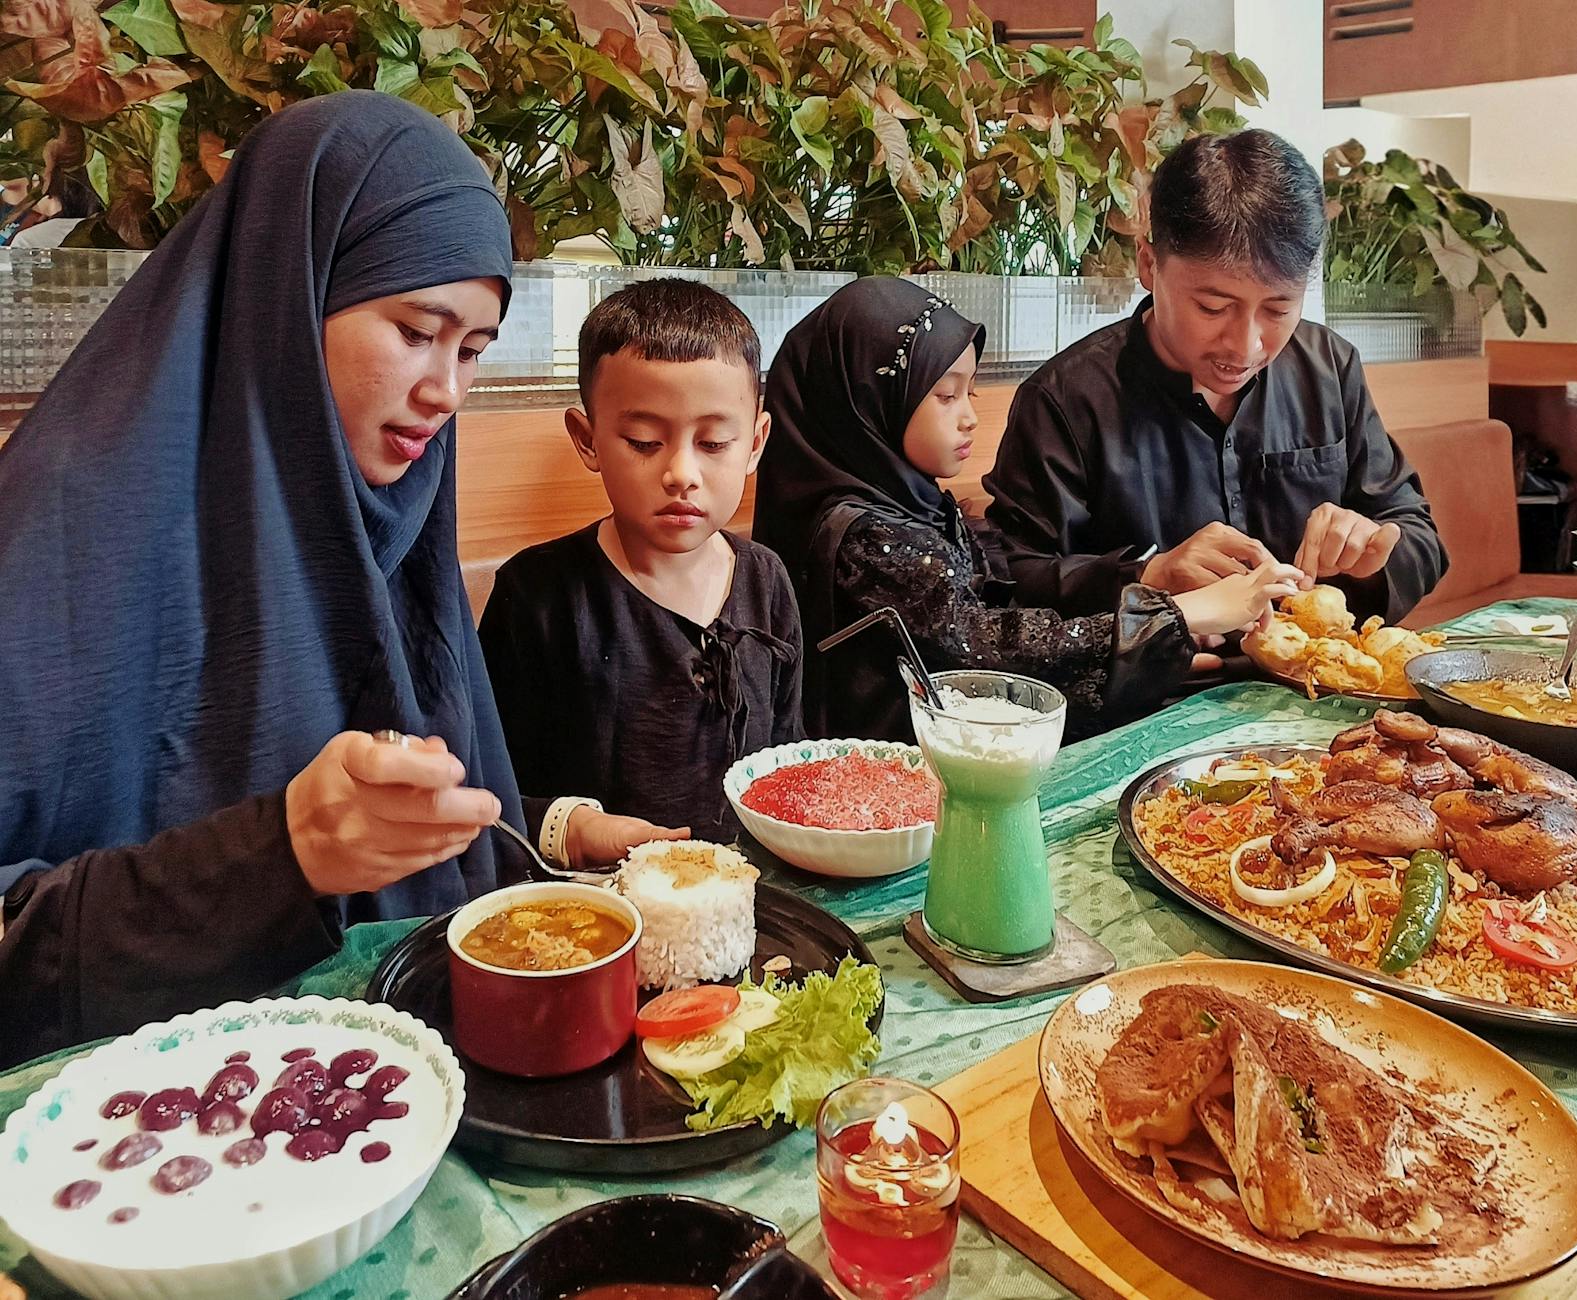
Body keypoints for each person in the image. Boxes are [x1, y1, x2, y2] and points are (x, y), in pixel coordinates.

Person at [0, 92, 658, 1069]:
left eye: (473, 351)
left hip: (389, 1086)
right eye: (415, 330)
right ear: (290, 293)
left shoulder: (392, 500)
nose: (445, 391)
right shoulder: (75, 512)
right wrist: (281, 854)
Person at [754, 276, 1302, 741]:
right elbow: (985, 652)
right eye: (945, 396)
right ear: (866, 404)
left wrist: (1157, 628)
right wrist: (1179, 618)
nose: (969, 417)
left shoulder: (908, 502)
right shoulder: (869, 537)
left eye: (971, 392)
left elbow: (995, 604)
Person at [984, 128, 1446, 628]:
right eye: (1212, 306)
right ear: (1148, 263)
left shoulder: (1328, 367)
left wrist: (1371, 551)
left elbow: (1417, 534)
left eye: (1278, 309)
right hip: (1155, 696)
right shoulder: (1066, 400)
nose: (1245, 346)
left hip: (1306, 683)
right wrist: (1148, 576)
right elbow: (1009, 580)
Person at [479, 279, 803, 842]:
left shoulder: (766, 580)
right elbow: (489, 788)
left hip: (747, 896)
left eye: (714, 443)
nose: (682, 474)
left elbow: (789, 762)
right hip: (592, 907)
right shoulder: (538, 594)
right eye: (644, 441)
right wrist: (571, 831)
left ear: (754, 443)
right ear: (588, 440)